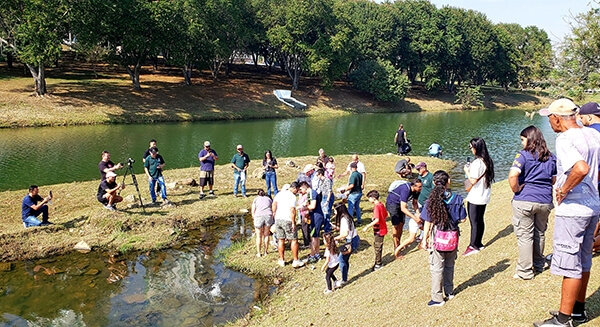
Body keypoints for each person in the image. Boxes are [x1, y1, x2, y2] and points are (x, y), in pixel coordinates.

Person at [533, 99, 600, 327]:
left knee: (569, 264)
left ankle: (562, 320)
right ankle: (578, 310)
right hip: (592, 206)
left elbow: (581, 168)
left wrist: (563, 188)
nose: (549, 122)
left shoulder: (564, 139)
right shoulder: (593, 134)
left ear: (556, 118)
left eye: (549, 118)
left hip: (573, 210)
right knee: (584, 260)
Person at [508, 126, 557, 280]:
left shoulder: (522, 156)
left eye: (523, 139)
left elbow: (512, 175)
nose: (522, 143)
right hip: (544, 201)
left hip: (525, 200)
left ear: (530, 139)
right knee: (540, 233)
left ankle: (524, 271)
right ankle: (539, 264)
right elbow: (554, 179)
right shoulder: (551, 157)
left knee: (525, 236)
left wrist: (516, 189)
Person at [419, 170, 467, 307]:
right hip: (453, 236)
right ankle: (449, 292)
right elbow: (463, 219)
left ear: (434, 183)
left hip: (438, 237)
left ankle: (437, 298)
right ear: (448, 181)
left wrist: (424, 239)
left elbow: (427, 222)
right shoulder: (457, 198)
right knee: (450, 265)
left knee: (437, 267)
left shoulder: (431, 201)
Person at [463, 137, 494, 256]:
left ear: (476, 147)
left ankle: (473, 245)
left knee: (474, 222)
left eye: (471, 147)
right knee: (480, 220)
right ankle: (479, 243)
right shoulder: (487, 160)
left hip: (476, 196)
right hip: (484, 195)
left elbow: (473, 180)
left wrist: (467, 170)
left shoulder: (477, 163)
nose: (470, 149)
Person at [388, 179, 423, 258]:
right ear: (413, 186)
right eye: (420, 187)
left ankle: (400, 243)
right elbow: (403, 208)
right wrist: (415, 218)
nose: (421, 188)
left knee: (401, 224)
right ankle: (396, 247)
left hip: (400, 205)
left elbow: (414, 203)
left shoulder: (417, 191)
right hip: (393, 204)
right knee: (396, 225)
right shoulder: (405, 190)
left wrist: (418, 213)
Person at [272, 182, 304, 268]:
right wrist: (293, 222)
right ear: (294, 188)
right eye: (297, 191)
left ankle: (282, 260)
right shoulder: (292, 196)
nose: (296, 192)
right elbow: (292, 210)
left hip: (278, 219)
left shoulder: (279, 194)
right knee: (294, 240)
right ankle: (295, 260)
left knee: (280, 239)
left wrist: (274, 215)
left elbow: (274, 204)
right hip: (287, 219)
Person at [333, 202, 359, 287]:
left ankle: (344, 279)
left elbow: (345, 233)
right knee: (345, 259)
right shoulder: (347, 217)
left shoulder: (344, 219)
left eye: (335, 210)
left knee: (341, 259)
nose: (334, 212)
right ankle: (345, 277)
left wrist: (335, 238)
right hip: (353, 239)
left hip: (351, 241)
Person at [363, 190, 388, 271]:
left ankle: (378, 264)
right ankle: (378, 262)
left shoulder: (376, 207)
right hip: (383, 228)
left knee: (377, 246)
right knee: (378, 245)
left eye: (369, 198)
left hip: (379, 230)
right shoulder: (381, 204)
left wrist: (367, 226)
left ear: (373, 198)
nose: (369, 200)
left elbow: (377, 220)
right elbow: (385, 216)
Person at [252, 189, 273, 257]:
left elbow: (253, 211)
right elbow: (272, 208)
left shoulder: (256, 199)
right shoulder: (269, 199)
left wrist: (253, 218)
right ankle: (265, 252)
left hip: (259, 216)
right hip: (268, 216)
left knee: (259, 236)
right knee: (266, 235)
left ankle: (258, 252)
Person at [316, 168, 334, 233]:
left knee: (327, 213)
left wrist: (327, 201)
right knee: (323, 212)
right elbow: (319, 190)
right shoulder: (320, 181)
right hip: (323, 196)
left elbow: (330, 191)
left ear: (321, 174)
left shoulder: (327, 180)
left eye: (317, 175)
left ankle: (327, 229)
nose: (317, 177)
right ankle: (326, 226)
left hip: (328, 197)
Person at [297, 181, 312, 249]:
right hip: (302, 213)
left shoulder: (307, 196)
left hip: (305, 214)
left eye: (300, 189)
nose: (300, 191)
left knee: (305, 228)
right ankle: (307, 241)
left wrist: (306, 213)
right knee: (305, 228)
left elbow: (307, 204)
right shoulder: (303, 195)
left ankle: (307, 243)